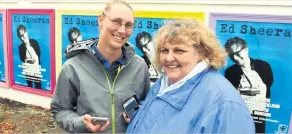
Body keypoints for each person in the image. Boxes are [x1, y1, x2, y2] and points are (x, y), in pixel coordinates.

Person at [126, 19, 255, 133]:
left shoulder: (226, 105)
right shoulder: (166, 81)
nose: (169, 58)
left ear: (202, 53)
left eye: (179, 50)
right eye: (164, 50)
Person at [51, 0, 150, 133]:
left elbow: (147, 103)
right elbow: (60, 109)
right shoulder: (73, 67)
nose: (122, 30)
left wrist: (138, 111)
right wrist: (80, 123)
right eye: (116, 21)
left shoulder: (139, 66)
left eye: (128, 25)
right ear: (101, 20)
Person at [224, 36, 273, 133]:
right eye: (231, 55)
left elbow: (269, 82)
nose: (235, 58)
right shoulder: (230, 72)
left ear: (246, 50)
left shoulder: (263, 66)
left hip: (259, 116)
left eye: (237, 53)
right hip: (239, 116)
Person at [17, 24, 42, 89]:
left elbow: (38, 55)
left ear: (26, 32)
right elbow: (22, 58)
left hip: (36, 69)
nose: (22, 38)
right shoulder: (21, 47)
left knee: (38, 86)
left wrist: (28, 45)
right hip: (28, 70)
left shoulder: (34, 42)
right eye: (20, 36)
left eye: (23, 34)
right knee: (29, 86)